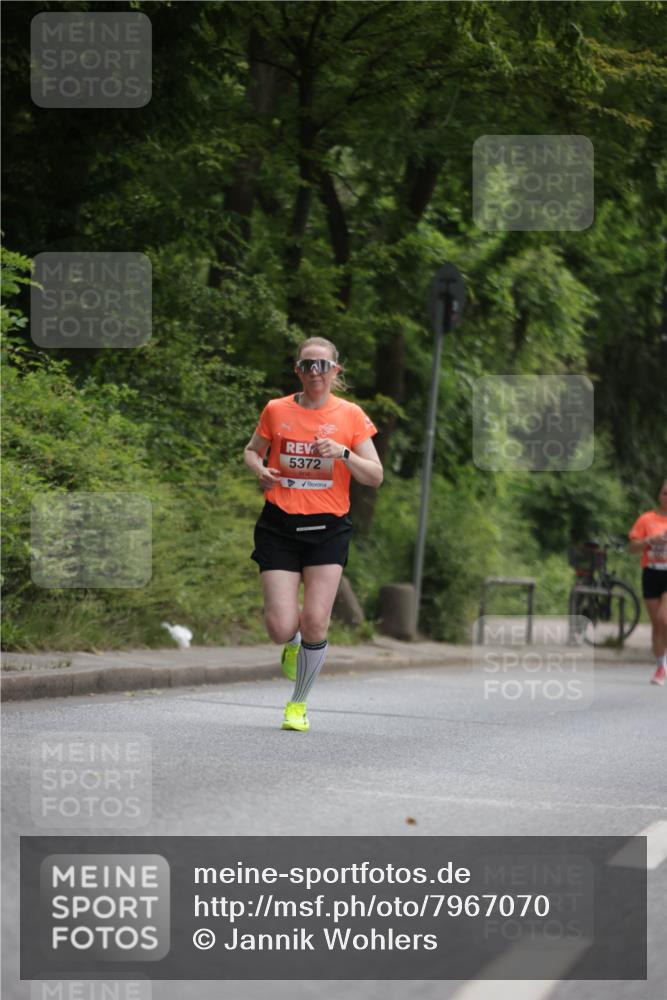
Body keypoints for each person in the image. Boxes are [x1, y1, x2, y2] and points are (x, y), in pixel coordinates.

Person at [243, 337, 383, 731]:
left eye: (323, 366)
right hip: (280, 525)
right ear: (298, 371)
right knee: (281, 627)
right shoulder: (276, 410)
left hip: (328, 529)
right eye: (308, 366)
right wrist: (260, 470)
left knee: (316, 622)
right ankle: (291, 644)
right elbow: (251, 450)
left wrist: (342, 453)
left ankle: (298, 705)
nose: (315, 373)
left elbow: (376, 475)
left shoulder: (351, 416)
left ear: (336, 371)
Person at [628, 478, 667, 685]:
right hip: (651, 573)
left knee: (664, 618)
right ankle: (661, 666)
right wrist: (649, 541)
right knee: (657, 625)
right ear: (659, 495)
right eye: (664, 493)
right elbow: (632, 547)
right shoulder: (646, 519)